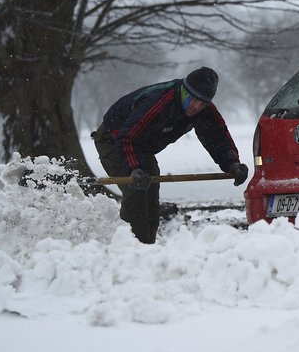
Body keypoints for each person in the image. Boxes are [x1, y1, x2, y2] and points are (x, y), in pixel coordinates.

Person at [92, 66, 249, 243]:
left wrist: (232, 164)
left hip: (141, 146)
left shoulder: (204, 110)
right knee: (136, 191)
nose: (196, 106)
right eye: (193, 99)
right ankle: (131, 247)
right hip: (113, 140)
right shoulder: (159, 102)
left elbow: (218, 138)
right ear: (184, 90)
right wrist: (134, 168)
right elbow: (127, 138)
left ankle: (148, 245)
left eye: (203, 103)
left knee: (151, 193)